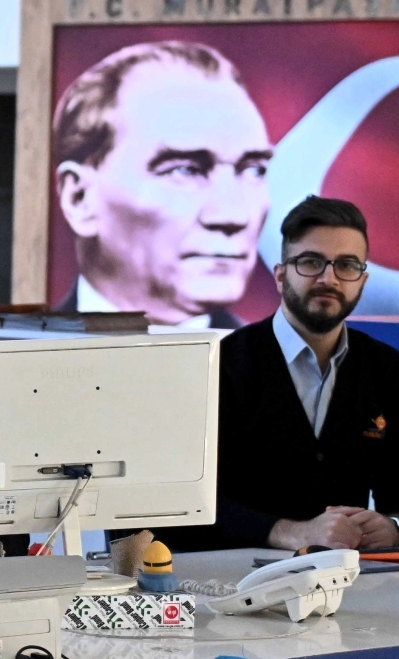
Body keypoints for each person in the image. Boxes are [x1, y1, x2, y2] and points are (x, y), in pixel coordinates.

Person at [171, 196, 399, 552]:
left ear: (362, 280)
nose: (329, 278)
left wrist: (393, 528)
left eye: (346, 265)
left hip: (352, 577)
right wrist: (293, 532)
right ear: (280, 276)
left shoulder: (388, 369)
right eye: (310, 262)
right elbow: (176, 505)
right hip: (229, 576)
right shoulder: (216, 367)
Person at [52, 41, 273, 328]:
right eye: (185, 170)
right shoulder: (24, 354)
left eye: (253, 170)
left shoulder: (281, 356)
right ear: (79, 198)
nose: (233, 216)